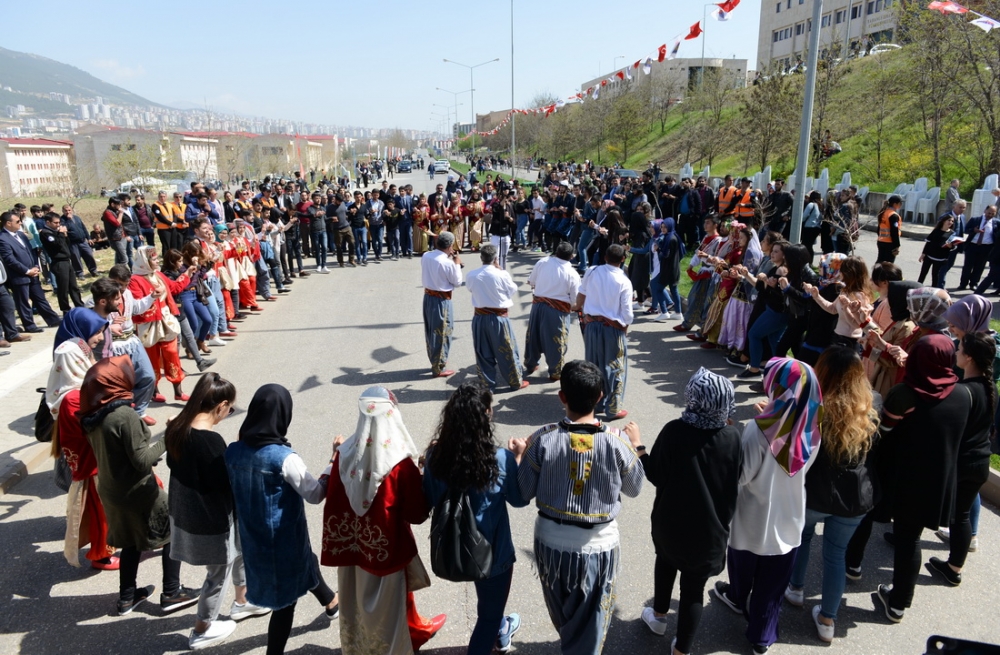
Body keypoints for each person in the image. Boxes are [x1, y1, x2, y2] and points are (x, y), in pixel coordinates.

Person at [509, 360, 645, 655]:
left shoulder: (541, 438)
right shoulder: (618, 441)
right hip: (598, 547)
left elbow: (523, 491)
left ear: (562, 396)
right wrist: (637, 445)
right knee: (592, 621)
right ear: (599, 397)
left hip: (551, 545)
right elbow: (634, 488)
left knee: (564, 615)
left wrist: (519, 458)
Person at [322, 386, 446, 654]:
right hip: (386, 549)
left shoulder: (343, 454)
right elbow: (417, 513)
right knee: (386, 616)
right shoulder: (399, 463)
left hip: (352, 551)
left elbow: (334, 502)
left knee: (357, 607)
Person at [713, 358, 823, 654]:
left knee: (742, 566)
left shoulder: (757, 430)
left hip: (751, 519)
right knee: (772, 585)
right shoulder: (813, 427)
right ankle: (762, 636)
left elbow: (743, 475)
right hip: (788, 519)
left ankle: (736, 597)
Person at [79, 356, 201, 616]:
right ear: (115, 383)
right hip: (137, 491)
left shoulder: (91, 415)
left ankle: (126, 597)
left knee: (131, 541)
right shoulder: (123, 415)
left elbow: (119, 454)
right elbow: (142, 460)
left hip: (111, 491)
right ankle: (171, 591)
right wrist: (171, 434)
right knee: (174, 528)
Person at [225, 384, 340, 655]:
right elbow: (315, 493)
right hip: (281, 541)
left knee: (306, 561)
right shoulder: (283, 458)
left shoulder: (232, 452)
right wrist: (333, 460)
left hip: (253, 537)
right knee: (285, 603)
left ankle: (330, 601)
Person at [639, 368, 742, 655]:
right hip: (709, 532)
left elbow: (656, 474)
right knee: (693, 590)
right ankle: (681, 649)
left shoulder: (675, 431)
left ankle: (658, 617)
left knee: (665, 562)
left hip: (670, 524)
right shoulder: (733, 437)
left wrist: (639, 448)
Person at [165, 373, 270, 650]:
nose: (228, 413)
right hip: (211, 520)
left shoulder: (176, 427)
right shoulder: (210, 442)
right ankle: (202, 627)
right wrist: (236, 454)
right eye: (230, 408)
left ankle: (243, 600)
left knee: (241, 550)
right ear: (221, 405)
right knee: (218, 572)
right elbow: (226, 484)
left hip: (187, 511)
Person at [872, 334, 973, 622]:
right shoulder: (963, 393)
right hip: (941, 478)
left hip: (906, 478)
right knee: (911, 537)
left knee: (907, 540)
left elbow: (884, 433)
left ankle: (898, 602)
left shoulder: (905, 394)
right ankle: (899, 599)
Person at [422, 382, 527, 654]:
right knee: (488, 615)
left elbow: (430, 497)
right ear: (487, 415)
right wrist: (518, 457)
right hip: (494, 552)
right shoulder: (500, 459)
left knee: (492, 612)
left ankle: (501, 631)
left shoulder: (434, 456)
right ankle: (494, 631)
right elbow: (519, 500)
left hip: (451, 547)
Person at [784, 347, 879, 643]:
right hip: (854, 497)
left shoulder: (810, 402)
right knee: (836, 555)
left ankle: (795, 589)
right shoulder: (871, 403)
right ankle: (827, 619)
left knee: (803, 539)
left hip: (813, 491)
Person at [925, 332, 995, 586]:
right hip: (980, 461)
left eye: (960, 347)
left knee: (941, 507)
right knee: (961, 515)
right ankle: (954, 568)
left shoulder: (963, 392)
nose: (955, 352)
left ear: (969, 357)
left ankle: (907, 537)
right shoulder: (988, 387)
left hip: (962, 462)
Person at [47, 338, 117, 570]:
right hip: (94, 463)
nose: (91, 360)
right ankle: (101, 555)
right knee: (102, 513)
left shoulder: (70, 392)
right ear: (75, 363)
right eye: (85, 357)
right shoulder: (73, 398)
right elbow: (96, 429)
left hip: (93, 460)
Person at [575, 244, 634, 419]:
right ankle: (613, 408)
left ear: (605, 257)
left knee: (593, 365)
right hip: (613, 328)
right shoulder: (624, 281)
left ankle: (595, 402)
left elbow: (582, 293)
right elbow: (628, 314)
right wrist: (625, 326)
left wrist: (578, 308)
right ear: (623, 259)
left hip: (592, 325)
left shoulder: (592, 271)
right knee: (615, 367)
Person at [466, 244, 529, 392]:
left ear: (481, 258)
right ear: (495, 259)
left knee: (483, 351)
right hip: (499, 318)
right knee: (506, 350)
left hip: (480, 317)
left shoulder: (471, 274)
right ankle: (514, 381)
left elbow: (470, 288)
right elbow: (513, 290)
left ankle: (487, 384)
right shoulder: (502, 274)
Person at [523, 242, 580, 381]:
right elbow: (575, 301)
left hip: (538, 305)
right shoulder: (572, 274)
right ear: (571, 256)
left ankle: (531, 363)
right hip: (557, 311)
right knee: (556, 342)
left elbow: (531, 282)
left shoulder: (542, 262)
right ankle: (555, 371)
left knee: (533, 336)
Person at [0, 211, 62, 332]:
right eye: (17, 221)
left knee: (40, 298)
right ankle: (29, 325)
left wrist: (35, 266)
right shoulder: (2, 238)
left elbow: (30, 251)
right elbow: (10, 260)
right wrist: (27, 271)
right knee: (23, 302)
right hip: (19, 275)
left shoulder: (21, 235)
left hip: (33, 272)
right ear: (8, 223)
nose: (20, 223)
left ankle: (53, 319)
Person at [421, 231, 463, 378]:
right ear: (450, 246)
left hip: (428, 298)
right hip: (441, 300)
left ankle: (435, 360)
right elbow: (457, 282)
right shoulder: (447, 263)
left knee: (431, 330)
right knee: (443, 333)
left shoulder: (426, 255)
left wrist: (450, 258)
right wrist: (456, 264)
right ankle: (438, 367)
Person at [39, 211, 84, 312]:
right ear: (48, 222)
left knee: (73, 286)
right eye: (55, 223)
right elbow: (56, 245)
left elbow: (66, 244)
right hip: (58, 262)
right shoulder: (45, 233)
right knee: (63, 288)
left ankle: (80, 306)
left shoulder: (57, 232)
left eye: (59, 222)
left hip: (66, 260)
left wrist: (65, 234)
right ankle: (65, 309)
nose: (58, 225)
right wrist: (60, 233)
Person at [918, 214, 958, 286]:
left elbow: (953, 246)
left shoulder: (952, 233)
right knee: (923, 273)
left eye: (952, 221)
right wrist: (923, 254)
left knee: (935, 276)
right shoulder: (936, 230)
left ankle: (933, 292)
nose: (950, 222)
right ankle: (917, 288)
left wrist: (950, 246)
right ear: (943, 221)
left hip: (940, 259)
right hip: (929, 256)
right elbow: (928, 242)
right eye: (949, 220)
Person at [875, 195, 903, 264]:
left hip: (881, 241)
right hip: (890, 244)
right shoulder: (893, 215)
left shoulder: (883, 213)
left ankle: (876, 274)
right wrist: (897, 245)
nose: (901, 205)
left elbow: (879, 229)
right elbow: (894, 232)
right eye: (900, 203)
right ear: (895, 204)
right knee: (888, 265)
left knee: (880, 261)